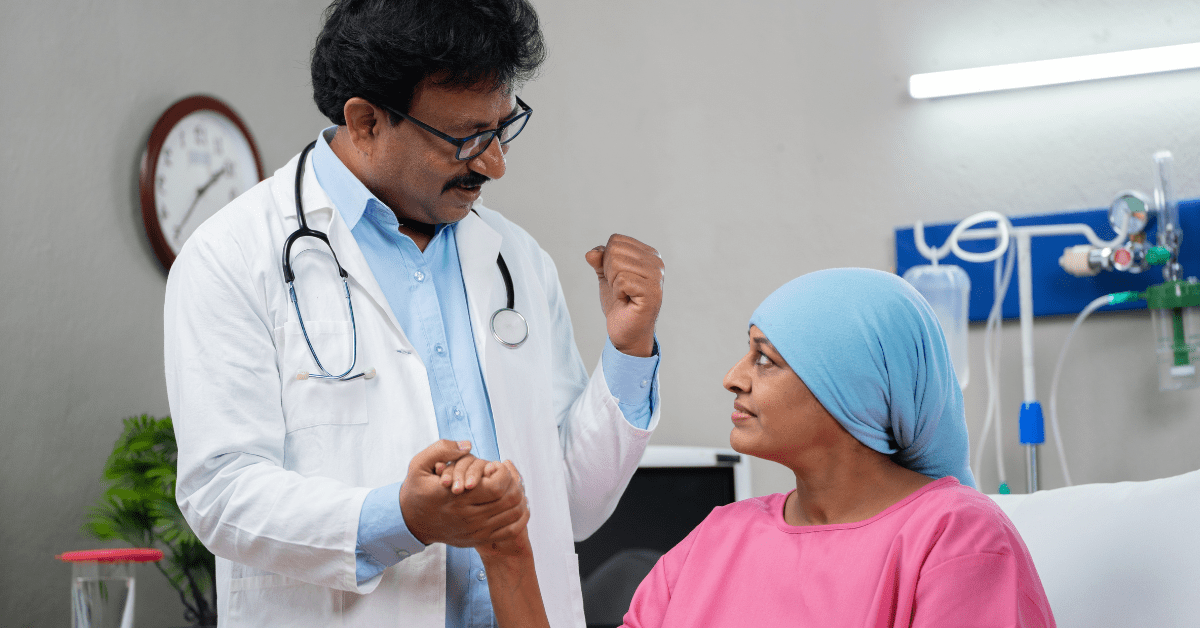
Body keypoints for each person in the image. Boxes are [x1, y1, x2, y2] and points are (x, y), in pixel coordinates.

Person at [163, 0, 664, 626]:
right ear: (367, 120)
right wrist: (400, 520)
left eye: (502, 128)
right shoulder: (233, 256)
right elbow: (221, 492)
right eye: (466, 139)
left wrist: (629, 349)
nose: (494, 164)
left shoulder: (517, 260)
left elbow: (569, 505)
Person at [478, 268, 1055, 627]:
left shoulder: (954, 537)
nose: (733, 377)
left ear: (851, 386)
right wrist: (506, 549)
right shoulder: (718, 539)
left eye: (765, 359)